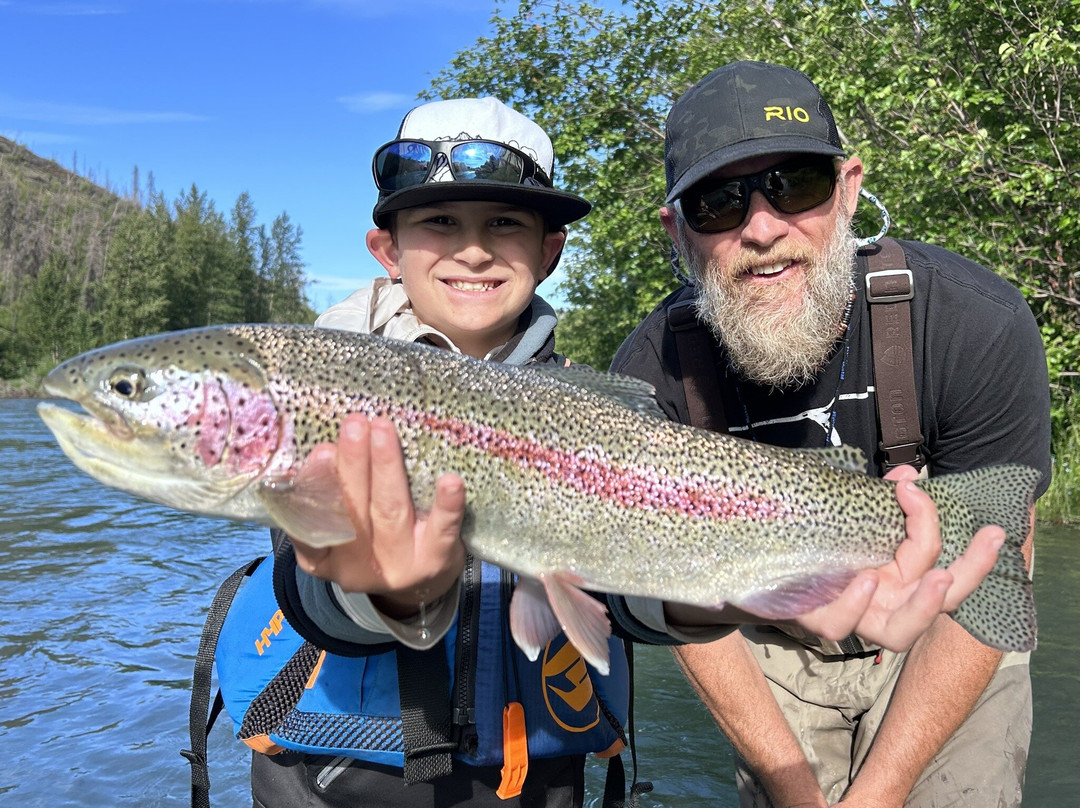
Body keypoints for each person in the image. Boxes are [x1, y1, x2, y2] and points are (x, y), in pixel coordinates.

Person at [242, 94, 1010, 808]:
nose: (472, 251)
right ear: (386, 249)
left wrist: (743, 590)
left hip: (541, 782)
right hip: (340, 784)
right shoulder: (325, 387)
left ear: (550, 252)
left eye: (504, 225)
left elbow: (628, 596)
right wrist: (391, 595)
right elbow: (308, 596)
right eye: (438, 222)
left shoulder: (590, 398)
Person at [608, 60, 1052, 807]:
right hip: (758, 639)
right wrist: (796, 792)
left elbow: (994, 571)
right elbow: (678, 606)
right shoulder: (652, 368)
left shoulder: (976, 323)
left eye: (796, 185)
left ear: (848, 189)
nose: (762, 227)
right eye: (717, 202)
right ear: (676, 232)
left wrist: (880, 792)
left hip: (944, 623)